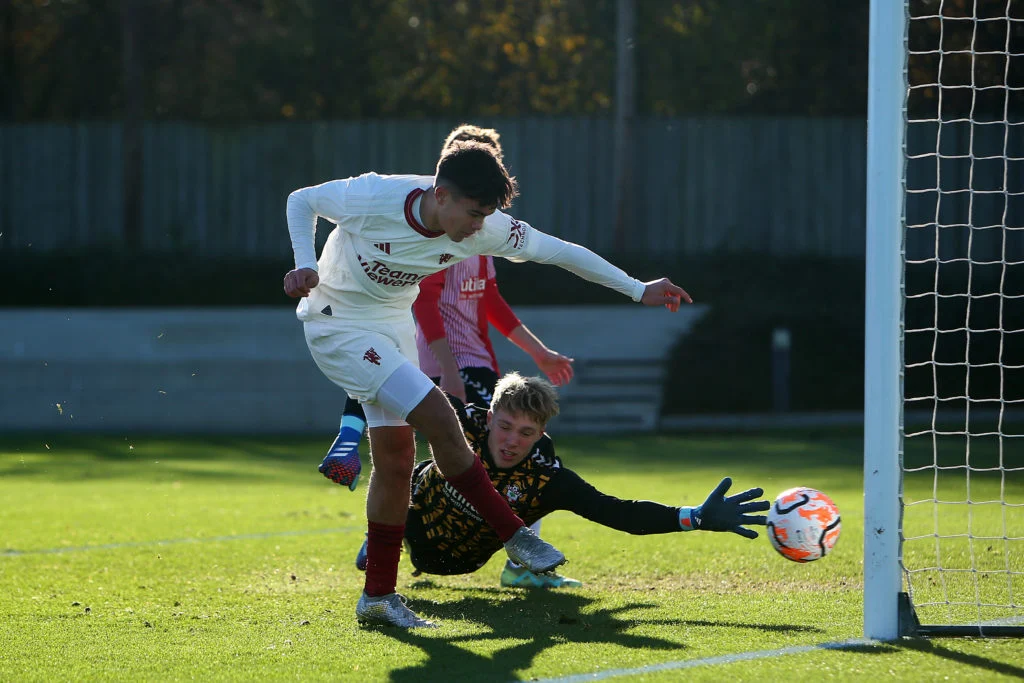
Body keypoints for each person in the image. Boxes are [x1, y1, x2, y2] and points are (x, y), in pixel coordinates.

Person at [283, 138, 691, 628]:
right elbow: (301, 199)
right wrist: (304, 261)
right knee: (439, 416)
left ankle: (377, 599)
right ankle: (514, 534)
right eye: (473, 214)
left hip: (389, 323)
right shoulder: (375, 196)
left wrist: (637, 288)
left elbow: (559, 251)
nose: (479, 228)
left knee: (395, 460)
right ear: (441, 195)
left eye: (486, 216)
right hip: (337, 322)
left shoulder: (484, 227)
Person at [317, 124, 577, 589]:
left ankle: (387, 552)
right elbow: (423, 302)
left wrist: (538, 351)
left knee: (469, 449)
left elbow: (492, 305)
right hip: (443, 360)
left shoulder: (483, 236)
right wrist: (449, 370)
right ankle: (513, 547)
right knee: (475, 445)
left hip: (476, 359)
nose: (488, 210)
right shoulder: (441, 236)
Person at [352, 372, 768, 603]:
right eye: (505, 426)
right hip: (415, 521)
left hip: (459, 563)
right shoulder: (460, 421)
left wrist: (694, 517)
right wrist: (348, 434)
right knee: (413, 463)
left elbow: (618, 512)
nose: (512, 440)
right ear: (491, 414)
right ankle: (383, 538)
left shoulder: (548, 479)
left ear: (542, 433)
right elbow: (384, 378)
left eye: (526, 432)